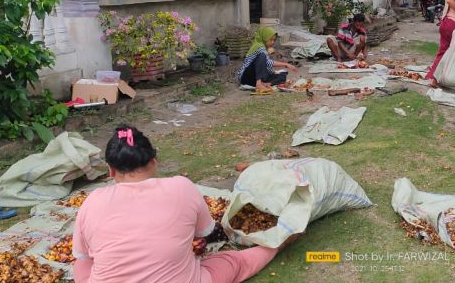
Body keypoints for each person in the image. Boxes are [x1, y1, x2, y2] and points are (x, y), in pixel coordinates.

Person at [72, 125, 299, 283]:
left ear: (110, 171)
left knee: (82, 264)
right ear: (153, 161)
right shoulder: (181, 187)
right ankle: (277, 244)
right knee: (232, 262)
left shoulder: (92, 202)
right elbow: (205, 232)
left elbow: (83, 257)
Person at [236, 27, 298, 92]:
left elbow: (264, 65)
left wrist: (272, 72)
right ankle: (259, 84)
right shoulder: (259, 46)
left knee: (283, 76)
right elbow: (268, 62)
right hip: (246, 76)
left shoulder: (265, 48)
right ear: (265, 38)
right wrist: (286, 64)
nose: (272, 42)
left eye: (274, 40)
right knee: (262, 56)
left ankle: (267, 84)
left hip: (254, 79)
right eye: (270, 40)